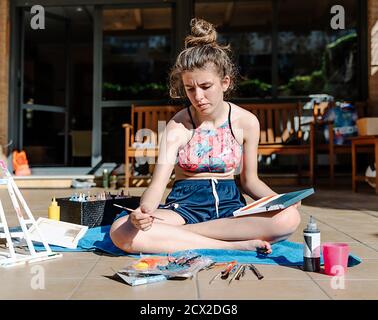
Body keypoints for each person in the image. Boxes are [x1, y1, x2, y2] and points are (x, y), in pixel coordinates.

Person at [110, 18, 301, 254]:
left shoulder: (247, 122)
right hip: (185, 207)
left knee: (288, 217)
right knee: (121, 230)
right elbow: (158, 184)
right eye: (190, 88)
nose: (197, 96)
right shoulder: (177, 126)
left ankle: (180, 237)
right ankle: (235, 245)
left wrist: (280, 199)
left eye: (206, 86)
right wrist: (144, 213)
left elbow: (250, 182)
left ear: (225, 82)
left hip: (231, 208)